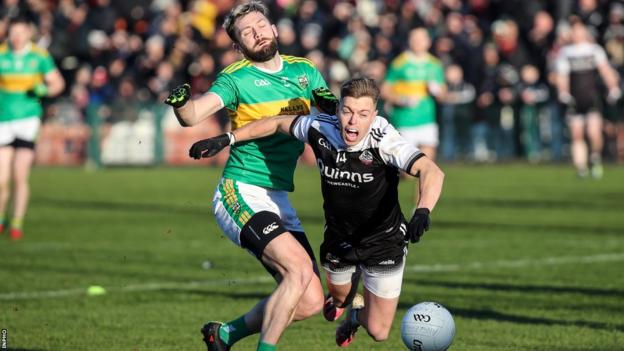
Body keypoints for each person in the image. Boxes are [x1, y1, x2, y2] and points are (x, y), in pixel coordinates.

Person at [188, 77, 445, 348]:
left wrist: (422, 211)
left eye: (362, 114)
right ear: (337, 110)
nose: (352, 121)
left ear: (375, 115)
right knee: (338, 300)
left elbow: (431, 171)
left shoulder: (385, 140)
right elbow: (276, 122)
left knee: (379, 331)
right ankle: (346, 303)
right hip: (339, 239)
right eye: (346, 111)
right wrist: (228, 137)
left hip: (383, 242)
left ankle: (355, 317)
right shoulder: (321, 126)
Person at [163, 2, 336, 351]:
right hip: (240, 190)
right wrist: (182, 104)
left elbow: (331, 110)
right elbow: (195, 113)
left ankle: (224, 335)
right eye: (246, 32)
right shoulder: (235, 78)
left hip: (278, 197)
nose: (257, 33)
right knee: (299, 273)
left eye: (260, 25)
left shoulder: (305, 71)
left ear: (274, 29)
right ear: (240, 46)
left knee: (310, 300)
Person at [0, 17, 65, 240]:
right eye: (13, 32)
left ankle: (17, 221)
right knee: (1, 179)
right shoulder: (1, 54)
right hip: (3, 120)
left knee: (19, 175)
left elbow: (58, 84)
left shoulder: (39, 57)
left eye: (21, 32)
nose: (17, 37)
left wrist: (43, 90)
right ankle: (0, 218)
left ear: (28, 33)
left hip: (27, 121)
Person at [381, 27, 446, 209]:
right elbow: (385, 89)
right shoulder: (400, 63)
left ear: (428, 42)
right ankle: (388, 183)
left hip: (427, 120)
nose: (418, 42)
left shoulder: (435, 64)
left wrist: (437, 90)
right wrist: (401, 99)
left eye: (421, 38)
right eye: (414, 38)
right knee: (408, 173)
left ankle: (421, 211)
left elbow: (443, 94)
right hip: (405, 120)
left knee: (427, 167)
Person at [555, 18, 621, 179]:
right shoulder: (565, 53)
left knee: (593, 133)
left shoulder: (594, 50)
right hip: (575, 99)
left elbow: (605, 70)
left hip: (592, 97)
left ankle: (595, 158)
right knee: (577, 134)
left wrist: (613, 87)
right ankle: (581, 168)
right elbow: (562, 76)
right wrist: (563, 92)